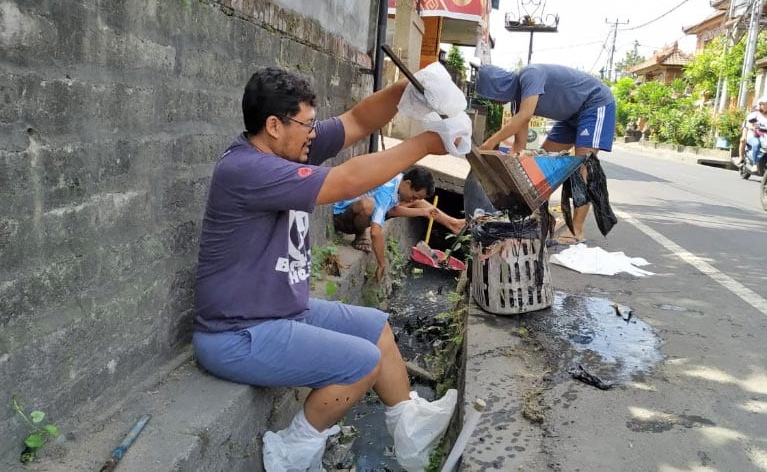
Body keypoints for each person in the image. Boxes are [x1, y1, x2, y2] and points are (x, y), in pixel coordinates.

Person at [192, 68, 463, 470]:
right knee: (362, 361)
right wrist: (427, 142)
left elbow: (358, 121)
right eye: (305, 125)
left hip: (281, 311)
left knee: (376, 328)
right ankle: (293, 449)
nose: (313, 134)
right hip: (238, 332)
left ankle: (411, 430)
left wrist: (412, 89)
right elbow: (347, 181)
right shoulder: (247, 169)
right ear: (273, 126)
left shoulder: (285, 148)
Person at [475, 63, 616, 244]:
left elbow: (525, 116)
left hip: (594, 104)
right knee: (543, 166)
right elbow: (519, 147)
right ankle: (540, 217)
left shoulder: (530, 75)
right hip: (570, 116)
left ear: (499, 87)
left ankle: (577, 230)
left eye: (492, 97)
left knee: (584, 166)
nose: (493, 102)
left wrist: (489, 143)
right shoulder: (517, 101)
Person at [333, 166, 465, 280]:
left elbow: (393, 210)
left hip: (359, 211)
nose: (411, 200)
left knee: (414, 203)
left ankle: (453, 223)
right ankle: (359, 235)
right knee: (368, 206)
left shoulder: (398, 180)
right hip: (341, 217)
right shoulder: (387, 190)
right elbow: (375, 232)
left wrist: (424, 212)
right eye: (413, 195)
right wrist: (382, 263)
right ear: (408, 183)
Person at [740, 96, 767, 165]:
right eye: (763, 104)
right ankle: (754, 164)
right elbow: (748, 124)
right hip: (754, 135)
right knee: (756, 144)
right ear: (760, 105)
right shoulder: (755, 115)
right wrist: (753, 128)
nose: (765, 106)